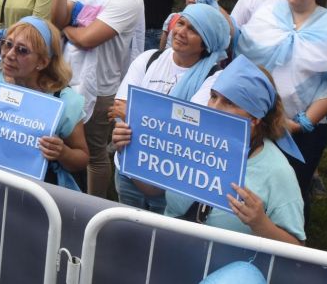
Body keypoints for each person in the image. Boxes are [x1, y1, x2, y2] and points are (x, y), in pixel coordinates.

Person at [112, 55, 306, 244]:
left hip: (225, 272)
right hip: (170, 255)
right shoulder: (189, 140)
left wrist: (260, 223)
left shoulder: (277, 171)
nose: (214, 107)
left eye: (229, 102)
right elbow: (154, 191)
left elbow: (298, 249)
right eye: (213, 97)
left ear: (254, 120)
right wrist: (129, 150)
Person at [236, 0, 327, 220]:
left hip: (303, 130)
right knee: (251, 184)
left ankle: (289, 242)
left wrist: (300, 123)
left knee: (292, 190)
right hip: (259, 121)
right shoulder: (268, 16)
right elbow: (244, 52)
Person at [51, 0, 145, 198]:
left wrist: (67, 30)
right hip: (67, 77)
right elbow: (58, 19)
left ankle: (94, 207)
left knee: (94, 154)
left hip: (101, 87)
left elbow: (88, 39)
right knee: (63, 145)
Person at [109, 3, 231, 211]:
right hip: (127, 168)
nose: (181, 32)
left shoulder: (213, 80)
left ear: (206, 42)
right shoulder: (148, 59)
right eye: (181, 23)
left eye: (193, 30)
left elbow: (187, 132)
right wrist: (159, 120)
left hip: (170, 183)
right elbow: (119, 108)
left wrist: (134, 114)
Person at [0, 16, 90, 187]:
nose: (9, 55)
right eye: (7, 44)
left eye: (22, 50)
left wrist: (62, 152)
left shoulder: (64, 101)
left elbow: (82, 158)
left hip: (32, 192)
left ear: (42, 62)